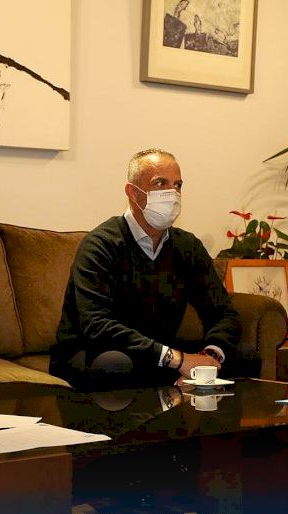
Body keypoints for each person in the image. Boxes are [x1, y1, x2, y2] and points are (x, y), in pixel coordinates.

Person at [50, 148, 240, 391]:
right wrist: (176, 359)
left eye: (177, 185)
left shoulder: (187, 246)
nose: (172, 193)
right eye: (160, 183)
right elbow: (97, 325)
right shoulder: (100, 245)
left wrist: (209, 359)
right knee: (116, 364)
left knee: (242, 354)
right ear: (132, 192)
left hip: (160, 354)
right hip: (96, 351)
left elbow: (224, 313)